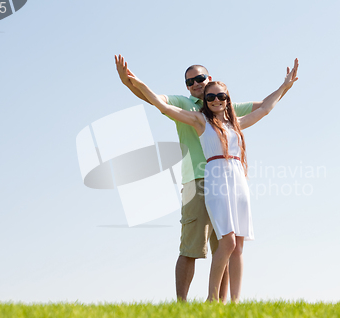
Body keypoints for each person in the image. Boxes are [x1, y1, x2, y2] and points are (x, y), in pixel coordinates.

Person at [114, 55, 298, 302]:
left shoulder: (233, 116)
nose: (198, 85)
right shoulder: (194, 114)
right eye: (191, 82)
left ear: (218, 88)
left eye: (201, 79)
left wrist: (285, 86)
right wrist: (131, 82)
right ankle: (185, 303)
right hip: (201, 181)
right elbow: (159, 103)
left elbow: (265, 107)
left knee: (229, 245)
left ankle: (223, 304)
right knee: (193, 247)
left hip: (236, 182)